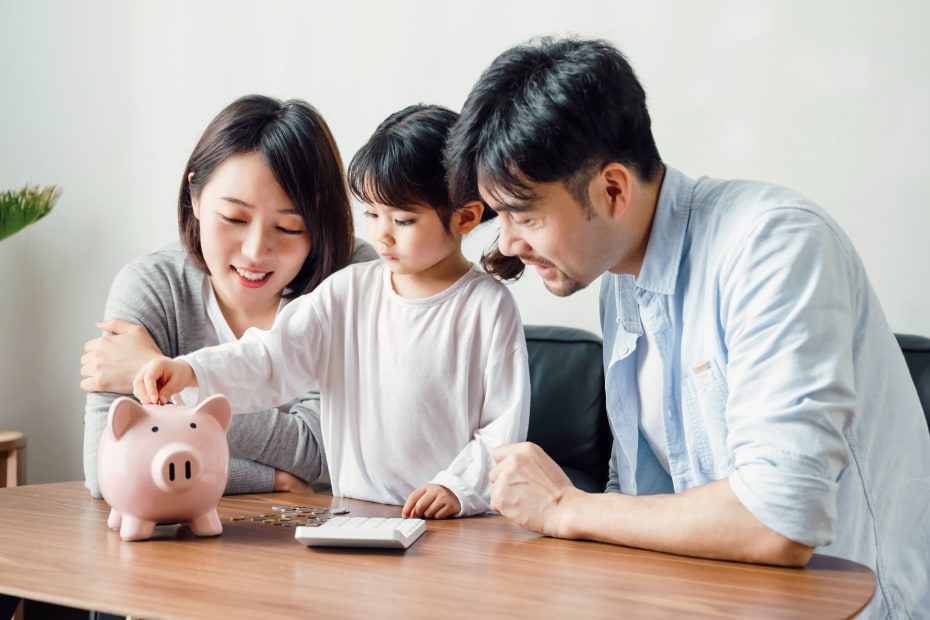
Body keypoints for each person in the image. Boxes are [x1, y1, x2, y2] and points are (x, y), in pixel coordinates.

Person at [444, 36, 930, 618]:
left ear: (614, 189)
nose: (508, 244)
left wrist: (564, 506)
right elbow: (642, 499)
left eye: (523, 215)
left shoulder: (774, 246)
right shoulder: (620, 275)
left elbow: (780, 519)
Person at [132, 103, 531, 519]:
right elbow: (271, 358)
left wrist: (456, 487)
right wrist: (193, 373)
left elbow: (504, 426)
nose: (382, 235)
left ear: (465, 217)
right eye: (373, 214)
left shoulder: (488, 308)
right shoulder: (346, 292)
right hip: (354, 517)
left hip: (453, 524)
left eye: (404, 220)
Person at [81, 94, 379, 498]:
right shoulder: (152, 286)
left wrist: (168, 377)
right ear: (196, 198)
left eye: (290, 228)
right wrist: (271, 479)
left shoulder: (352, 276)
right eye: (235, 218)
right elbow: (108, 470)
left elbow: (323, 454)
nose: (256, 251)